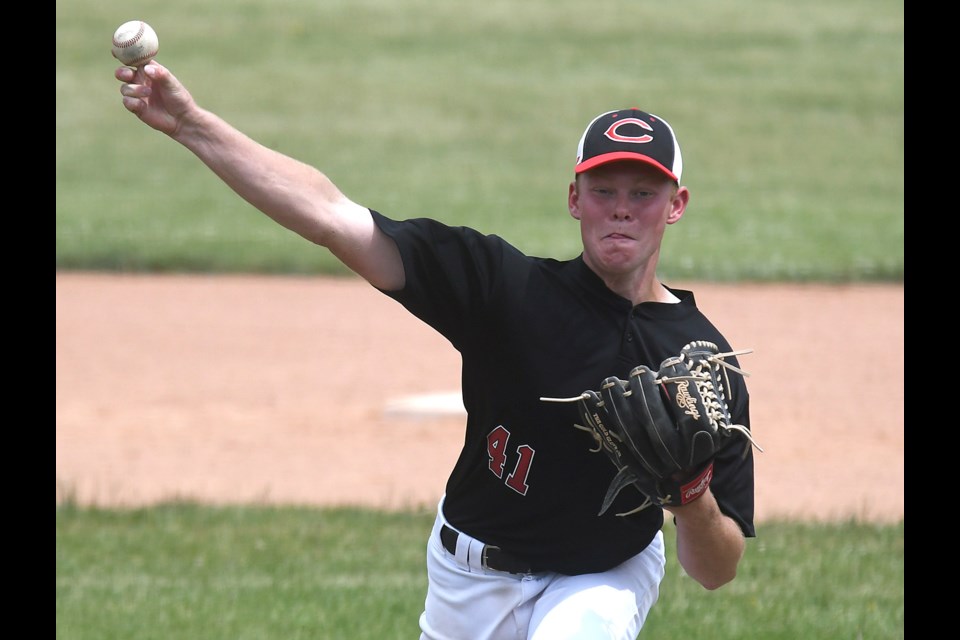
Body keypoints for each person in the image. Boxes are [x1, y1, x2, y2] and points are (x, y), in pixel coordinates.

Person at [115, 60, 757, 640]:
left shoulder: (702, 364)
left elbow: (716, 570)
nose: (621, 210)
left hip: (603, 579)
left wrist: (692, 494)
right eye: (604, 191)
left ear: (675, 206)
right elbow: (333, 217)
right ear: (574, 200)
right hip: (467, 576)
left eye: (642, 194)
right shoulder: (506, 288)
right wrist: (193, 126)